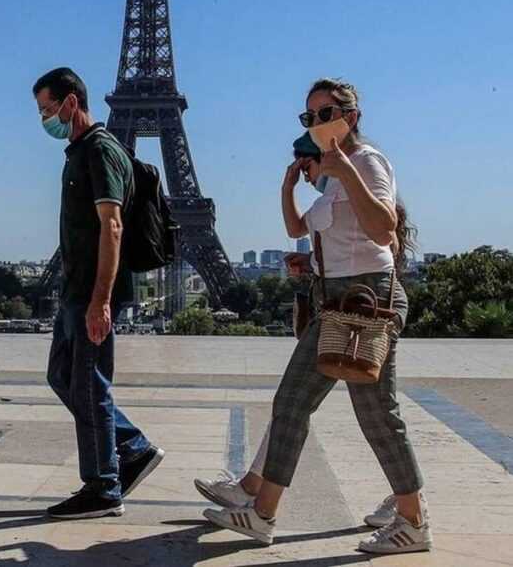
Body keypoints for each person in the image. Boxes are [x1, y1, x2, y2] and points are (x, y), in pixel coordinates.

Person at [202, 78, 431, 554]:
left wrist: (345, 170)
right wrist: (289, 189)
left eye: (326, 113)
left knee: (377, 414)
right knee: (291, 402)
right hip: (335, 303)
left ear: (351, 116)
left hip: (368, 301)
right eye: (310, 116)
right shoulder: (328, 184)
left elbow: (383, 229)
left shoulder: (367, 162)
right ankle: (261, 513)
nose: (317, 123)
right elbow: (299, 228)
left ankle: (413, 521)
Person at [32, 67, 164, 520]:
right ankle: (132, 446)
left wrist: (101, 300)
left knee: (90, 385)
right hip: (75, 290)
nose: (44, 119)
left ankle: (104, 486)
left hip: (92, 292)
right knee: (62, 376)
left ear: (71, 103)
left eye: (48, 109)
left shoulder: (101, 150)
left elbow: (113, 226)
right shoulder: (80, 151)